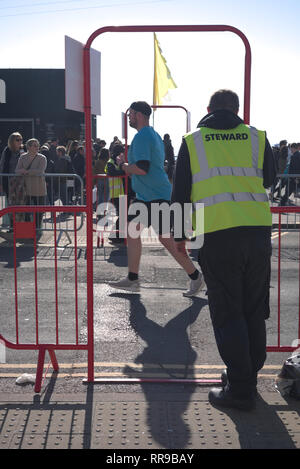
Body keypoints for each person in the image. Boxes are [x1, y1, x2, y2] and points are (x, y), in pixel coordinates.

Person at [172, 89, 277, 410]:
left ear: (208, 109)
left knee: (228, 311)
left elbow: (180, 192)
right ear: (237, 109)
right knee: (253, 309)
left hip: (216, 237)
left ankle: (241, 388)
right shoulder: (258, 137)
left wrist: (180, 235)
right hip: (257, 235)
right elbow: (270, 180)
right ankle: (245, 374)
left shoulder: (193, 141)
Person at [109, 101, 203, 296]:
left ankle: (195, 276)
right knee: (136, 232)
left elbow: (142, 168)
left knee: (165, 239)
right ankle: (133, 278)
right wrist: (126, 165)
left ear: (140, 115)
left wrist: (123, 166)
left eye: (131, 114)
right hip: (149, 196)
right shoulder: (151, 134)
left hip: (154, 196)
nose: (129, 117)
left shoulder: (143, 136)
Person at [15, 138, 47, 229]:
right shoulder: (22, 157)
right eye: (35, 145)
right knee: (26, 211)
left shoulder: (42, 158)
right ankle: (28, 229)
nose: (37, 147)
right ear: (28, 147)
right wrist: (24, 171)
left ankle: (37, 229)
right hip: (26, 188)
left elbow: (40, 171)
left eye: (38, 145)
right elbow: (17, 170)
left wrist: (26, 172)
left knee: (39, 212)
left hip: (39, 188)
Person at [0, 132, 23, 230]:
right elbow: (2, 166)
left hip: (23, 182)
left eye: (21, 139)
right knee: (11, 205)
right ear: (12, 141)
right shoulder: (7, 151)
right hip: (10, 182)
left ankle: (22, 227)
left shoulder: (24, 150)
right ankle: (13, 226)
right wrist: (1, 182)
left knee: (22, 204)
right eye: (17, 139)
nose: (20, 142)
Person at [105, 144, 126, 243]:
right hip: (115, 193)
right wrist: (123, 171)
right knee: (122, 214)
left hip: (120, 192)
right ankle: (115, 235)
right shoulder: (111, 162)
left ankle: (118, 235)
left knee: (123, 214)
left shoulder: (117, 161)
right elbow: (111, 172)